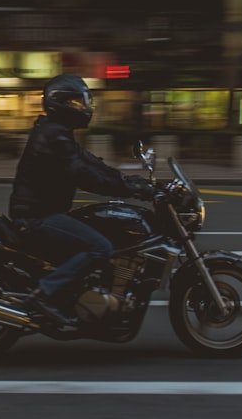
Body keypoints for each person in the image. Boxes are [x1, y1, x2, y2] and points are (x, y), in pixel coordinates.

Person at [9, 74, 154, 326]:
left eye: (84, 102)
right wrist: (128, 189)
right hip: (37, 216)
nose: (84, 108)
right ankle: (44, 295)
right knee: (100, 247)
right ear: (61, 103)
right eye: (77, 102)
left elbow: (89, 163)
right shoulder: (54, 135)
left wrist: (128, 180)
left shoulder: (57, 132)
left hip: (45, 211)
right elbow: (83, 174)